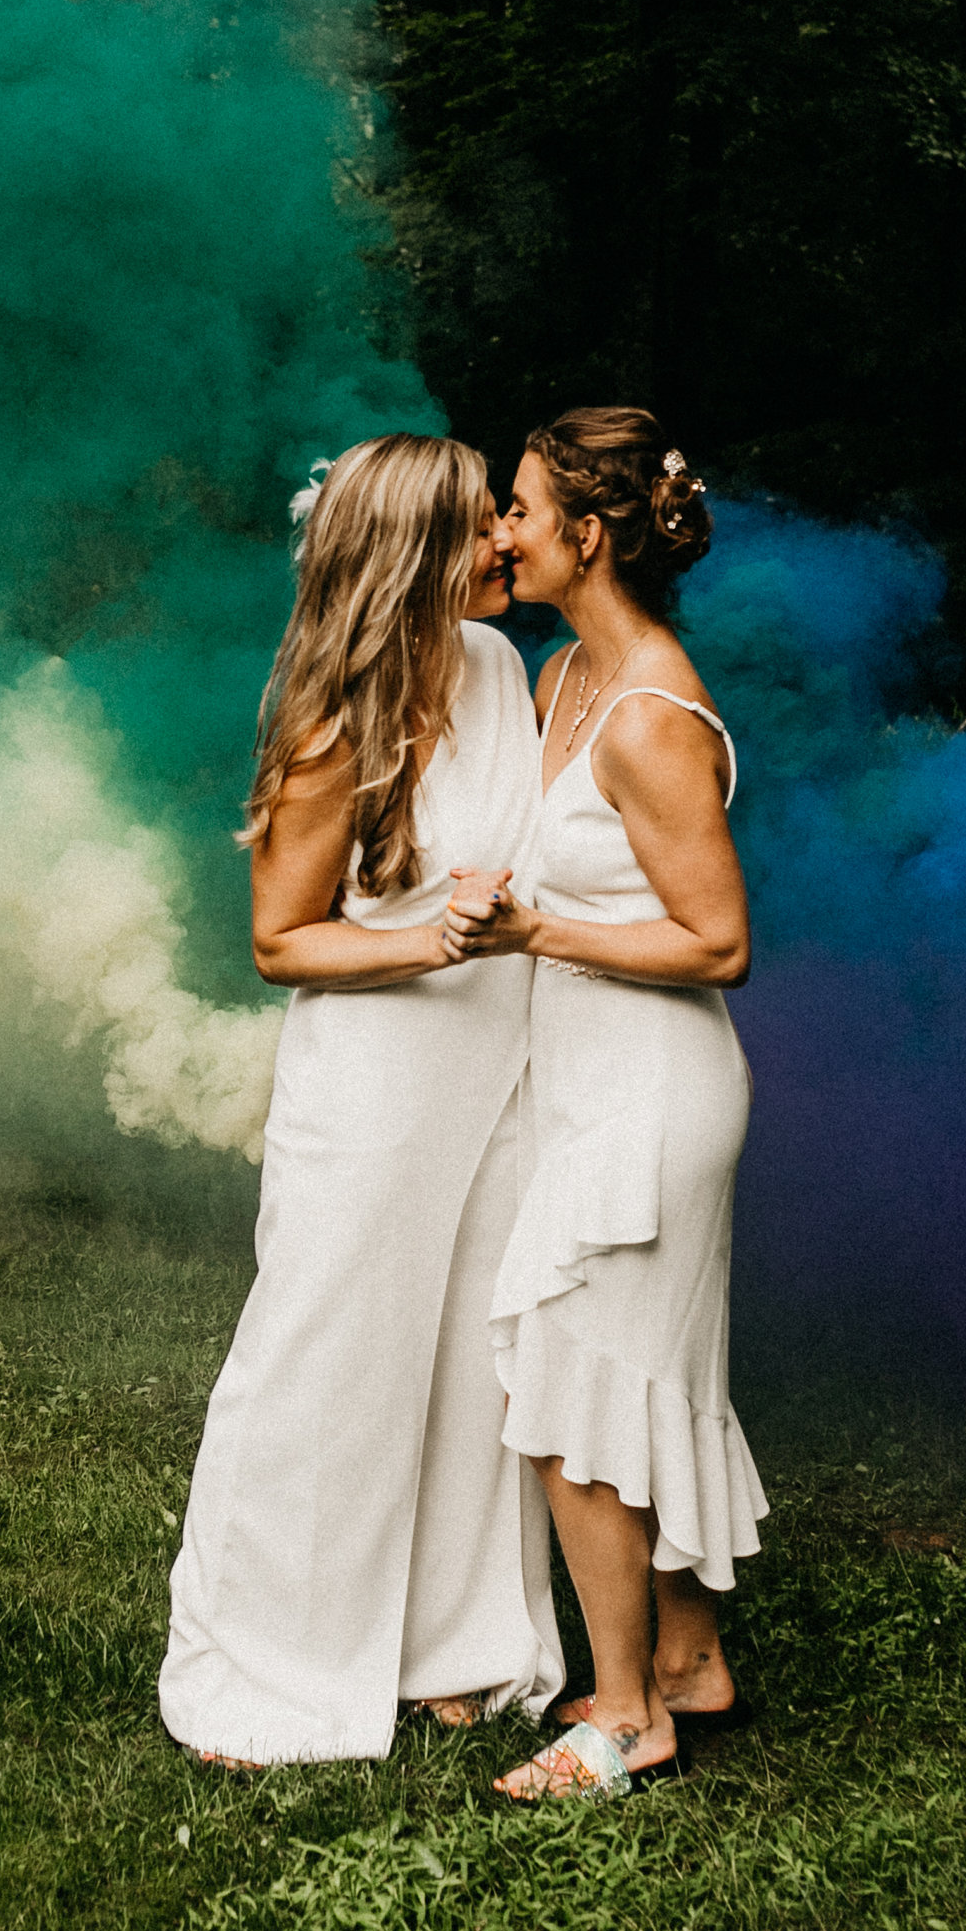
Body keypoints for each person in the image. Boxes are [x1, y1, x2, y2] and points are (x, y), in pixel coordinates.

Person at [158, 434, 565, 1763]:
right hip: (378, 1081)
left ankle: (453, 1645)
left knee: (470, 1357)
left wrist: (507, 912)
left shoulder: (504, 670)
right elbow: (283, 940)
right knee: (330, 1359)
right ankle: (272, 1661)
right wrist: (425, 944)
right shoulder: (335, 721)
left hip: (499, 1070)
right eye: (480, 528)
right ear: (414, 558)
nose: (509, 543)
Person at [451, 406, 765, 1804]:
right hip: (578, 1073)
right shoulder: (561, 671)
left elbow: (718, 943)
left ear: (587, 533)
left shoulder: (647, 718)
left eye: (518, 508)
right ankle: (689, 1661)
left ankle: (627, 1719)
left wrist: (537, 936)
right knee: (622, 1378)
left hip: (652, 1086)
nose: (500, 531)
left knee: (573, 1393)